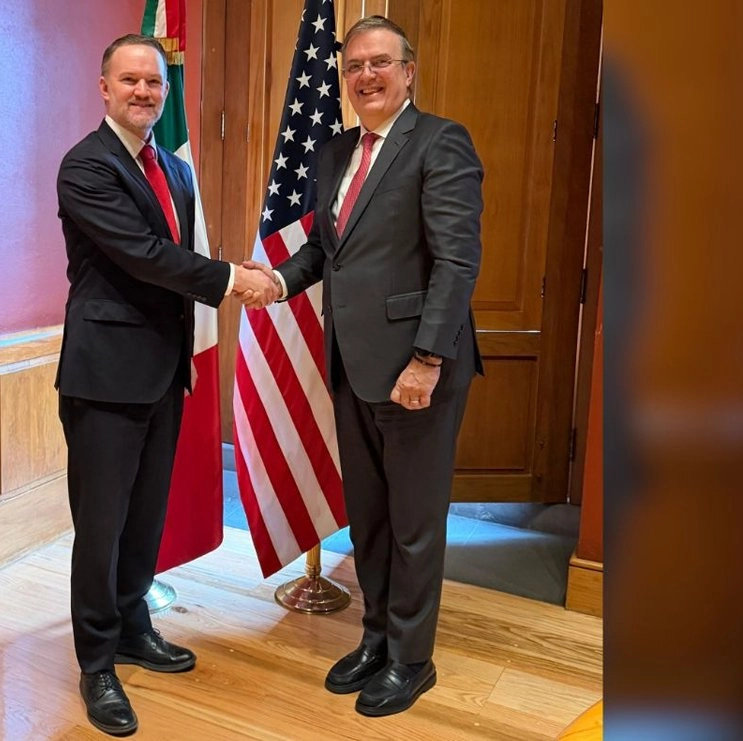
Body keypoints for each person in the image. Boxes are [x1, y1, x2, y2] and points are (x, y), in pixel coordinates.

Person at [243, 16, 484, 717]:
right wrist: (278, 281)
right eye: (354, 66)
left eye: (380, 63)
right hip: (349, 364)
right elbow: (326, 249)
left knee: (413, 522)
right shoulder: (333, 153)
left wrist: (427, 359)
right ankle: (376, 638)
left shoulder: (440, 142)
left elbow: (457, 262)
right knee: (371, 518)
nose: (366, 76)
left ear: (408, 71)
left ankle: (411, 658)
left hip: (416, 371)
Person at [54, 34, 274, 736]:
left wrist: (224, 279)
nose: (144, 92)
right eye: (130, 80)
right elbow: (145, 256)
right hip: (104, 377)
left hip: (164, 372)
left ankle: (131, 626)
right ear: (104, 87)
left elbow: (179, 255)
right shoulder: (86, 166)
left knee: (145, 515)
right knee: (102, 526)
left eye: (154, 82)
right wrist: (235, 279)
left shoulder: (174, 170)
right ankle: (96, 662)